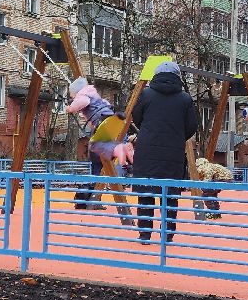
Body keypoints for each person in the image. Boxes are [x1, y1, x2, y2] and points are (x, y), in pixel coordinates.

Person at [129, 61, 198, 243]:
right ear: (177, 77)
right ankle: (167, 235)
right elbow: (191, 126)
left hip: (146, 152)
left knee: (145, 193)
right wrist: (177, 136)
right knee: (169, 195)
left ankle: (144, 234)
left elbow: (137, 116)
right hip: (173, 153)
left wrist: (149, 131)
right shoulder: (185, 99)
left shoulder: (146, 94)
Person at [65, 76, 134, 210]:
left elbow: (82, 102)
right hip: (113, 120)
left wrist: (70, 108)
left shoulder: (83, 95)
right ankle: (126, 155)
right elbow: (106, 104)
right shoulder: (95, 95)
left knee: (97, 147)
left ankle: (121, 152)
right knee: (103, 152)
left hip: (102, 122)